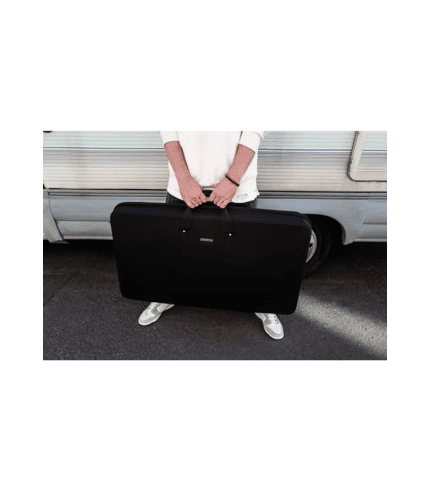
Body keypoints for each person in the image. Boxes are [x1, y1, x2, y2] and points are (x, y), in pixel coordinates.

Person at [138, 131, 284, 340]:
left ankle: (261, 303)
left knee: (245, 256)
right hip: (183, 187)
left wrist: (232, 179)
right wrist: (183, 179)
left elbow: (255, 127)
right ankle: (165, 294)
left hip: (238, 187)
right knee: (178, 252)